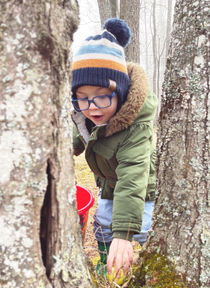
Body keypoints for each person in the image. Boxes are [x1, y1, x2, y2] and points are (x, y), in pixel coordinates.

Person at [71, 18, 158, 278]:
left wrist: (124, 234)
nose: (93, 107)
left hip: (141, 190)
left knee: (139, 228)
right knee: (101, 225)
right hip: (109, 184)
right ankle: (105, 261)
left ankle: (146, 262)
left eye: (102, 96)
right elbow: (79, 139)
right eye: (83, 98)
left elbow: (133, 177)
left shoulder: (135, 126)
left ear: (120, 92)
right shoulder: (87, 117)